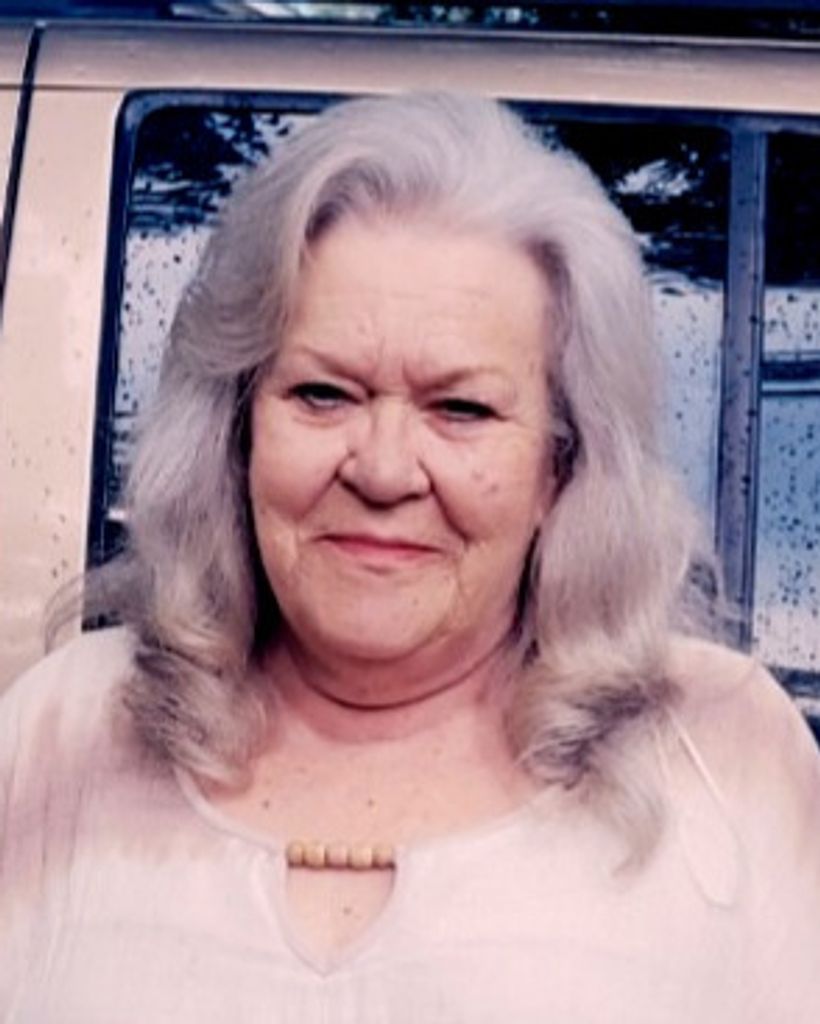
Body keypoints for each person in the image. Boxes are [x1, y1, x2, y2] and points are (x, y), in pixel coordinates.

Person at [1, 92, 818, 1022]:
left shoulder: (721, 752)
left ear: (561, 467)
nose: (384, 470)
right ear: (237, 431)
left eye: (461, 409)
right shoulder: (65, 730)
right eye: (323, 394)